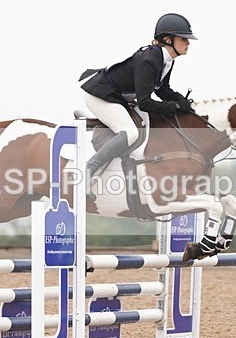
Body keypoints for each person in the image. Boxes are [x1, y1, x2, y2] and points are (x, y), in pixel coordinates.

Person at [79, 13, 197, 200]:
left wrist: (185, 103)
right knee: (131, 132)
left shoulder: (166, 59)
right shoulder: (150, 59)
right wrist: (175, 107)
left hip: (119, 96)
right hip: (100, 94)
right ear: (168, 39)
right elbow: (145, 102)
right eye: (184, 39)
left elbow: (163, 90)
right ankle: (89, 169)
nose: (188, 43)